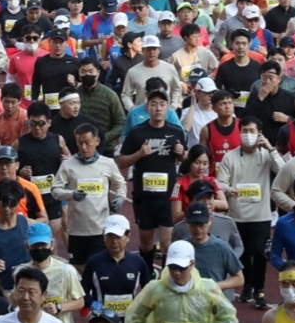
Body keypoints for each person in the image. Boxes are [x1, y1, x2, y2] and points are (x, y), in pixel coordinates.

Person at [117, 89, 187, 274]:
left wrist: (181, 154)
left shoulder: (175, 131)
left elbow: (183, 159)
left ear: (167, 108)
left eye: (162, 104)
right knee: (146, 243)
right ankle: (147, 279)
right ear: (147, 106)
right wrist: (139, 154)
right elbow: (121, 161)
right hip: (144, 196)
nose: (158, 108)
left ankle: (166, 279)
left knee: (166, 243)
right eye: (154, 104)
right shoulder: (137, 132)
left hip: (167, 196)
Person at [218, 116, 284, 308]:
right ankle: (247, 284)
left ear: (259, 134)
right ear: (239, 133)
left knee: (259, 251)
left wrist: (271, 148)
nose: (248, 135)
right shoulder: (230, 157)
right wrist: (230, 190)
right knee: (244, 252)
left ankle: (259, 289)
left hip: (261, 215)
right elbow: (220, 182)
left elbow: (283, 171)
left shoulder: (266, 155)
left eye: (252, 131)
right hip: (237, 215)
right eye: (244, 131)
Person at [52, 123, 127, 272]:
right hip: (77, 230)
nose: (84, 147)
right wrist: (72, 194)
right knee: (79, 269)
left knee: (100, 268)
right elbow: (55, 190)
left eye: (88, 142)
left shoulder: (108, 164)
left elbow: (121, 184)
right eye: (80, 143)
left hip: (100, 230)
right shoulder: (68, 165)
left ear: (97, 141)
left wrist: (120, 198)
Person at [81, 214, 150, 323]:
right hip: (102, 322)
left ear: (128, 236)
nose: (114, 241)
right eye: (109, 237)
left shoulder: (138, 263)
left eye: (118, 237)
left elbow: (149, 290)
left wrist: (140, 310)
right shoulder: (94, 263)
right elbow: (82, 292)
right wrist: (95, 306)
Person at [14, 222, 84, 323]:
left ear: (52, 244)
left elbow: (80, 302)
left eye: (43, 244)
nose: (39, 249)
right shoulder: (20, 273)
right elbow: (14, 301)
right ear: (27, 246)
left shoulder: (66, 271)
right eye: (35, 245)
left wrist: (59, 307)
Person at [15, 102, 69, 241]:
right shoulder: (19, 143)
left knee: (51, 240)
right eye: (33, 123)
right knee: (31, 240)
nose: (37, 128)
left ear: (49, 122)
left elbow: (70, 162)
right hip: (29, 200)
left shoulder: (58, 140)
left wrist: (65, 161)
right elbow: (8, 168)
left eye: (41, 123)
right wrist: (19, 173)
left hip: (52, 199)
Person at [184, 202, 244, 302]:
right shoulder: (183, 246)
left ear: (210, 221)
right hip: (188, 301)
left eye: (201, 224)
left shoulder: (222, 247)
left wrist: (214, 286)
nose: (198, 229)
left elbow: (239, 279)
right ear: (186, 223)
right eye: (194, 224)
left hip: (213, 302)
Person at [76, 57, 126, 156]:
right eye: (83, 71)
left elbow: (121, 123)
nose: (87, 74)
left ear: (98, 73)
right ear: (79, 73)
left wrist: (104, 137)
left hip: (105, 148)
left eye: (91, 71)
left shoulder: (110, 95)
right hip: (80, 148)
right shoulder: (75, 95)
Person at [121, 36, 182, 112]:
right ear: (142, 50)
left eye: (154, 49)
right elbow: (126, 94)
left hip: (164, 114)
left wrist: (173, 105)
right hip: (142, 115)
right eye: (148, 49)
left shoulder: (170, 68)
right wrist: (132, 109)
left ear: (159, 50)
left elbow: (176, 89)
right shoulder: (133, 71)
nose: (151, 52)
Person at [243, 60, 295, 146]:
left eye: (271, 78)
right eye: (264, 77)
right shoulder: (254, 96)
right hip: (259, 144)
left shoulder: (290, 97)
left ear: (279, 79)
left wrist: (288, 119)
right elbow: (246, 119)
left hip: (283, 145)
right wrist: (259, 98)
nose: (267, 82)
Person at [170, 145, 227, 224]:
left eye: (205, 163)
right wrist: (194, 208)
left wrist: (206, 201)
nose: (201, 167)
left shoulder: (212, 181)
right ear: (190, 161)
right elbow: (176, 217)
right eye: (197, 162)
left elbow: (224, 205)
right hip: (188, 225)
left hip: (209, 224)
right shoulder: (180, 184)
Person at [31, 29, 79, 112]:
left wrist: (74, 83)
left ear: (67, 44)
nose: (58, 45)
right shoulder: (41, 62)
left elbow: (82, 84)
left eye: (61, 42)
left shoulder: (74, 62)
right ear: (50, 43)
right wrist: (34, 100)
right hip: (48, 107)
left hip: (68, 106)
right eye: (55, 42)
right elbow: (36, 83)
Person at [199, 90, 241, 177]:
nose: (227, 106)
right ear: (214, 108)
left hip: (238, 176)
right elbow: (201, 155)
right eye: (223, 103)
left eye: (230, 103)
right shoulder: (206, 129)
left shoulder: (242, 126)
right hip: (215, 178)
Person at [0, 83, 28, 154]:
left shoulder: (26, 118)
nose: (9, 106)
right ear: (1, 99)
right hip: (4, 156)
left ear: (19, 101)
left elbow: (26, 143)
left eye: (13, 102)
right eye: (6, 102)